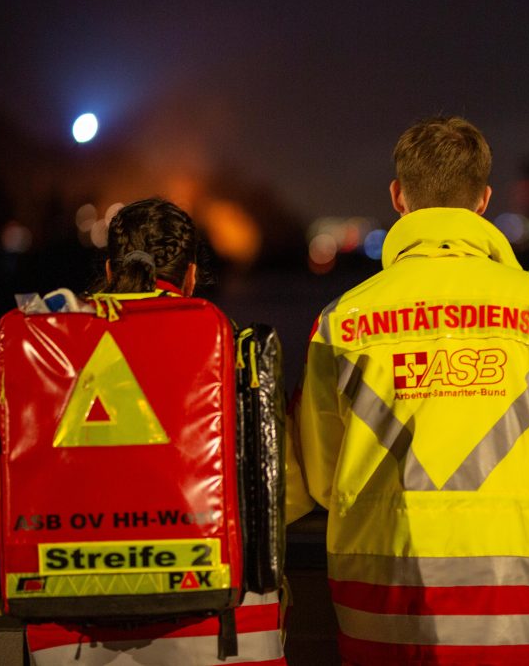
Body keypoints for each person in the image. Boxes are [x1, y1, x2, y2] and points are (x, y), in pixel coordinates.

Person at [297, 116, 529, 665]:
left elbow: (321, 466)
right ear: (483, 199)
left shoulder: (341, 318)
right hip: (520, 592)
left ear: (399, 196)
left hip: (380, 593)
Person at [23, 197, 313, 665]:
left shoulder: (45, 350)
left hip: (68, 629)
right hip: (221, 629)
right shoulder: (232, 353)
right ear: (192, 275)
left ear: (111, 271)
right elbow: (279, 493)